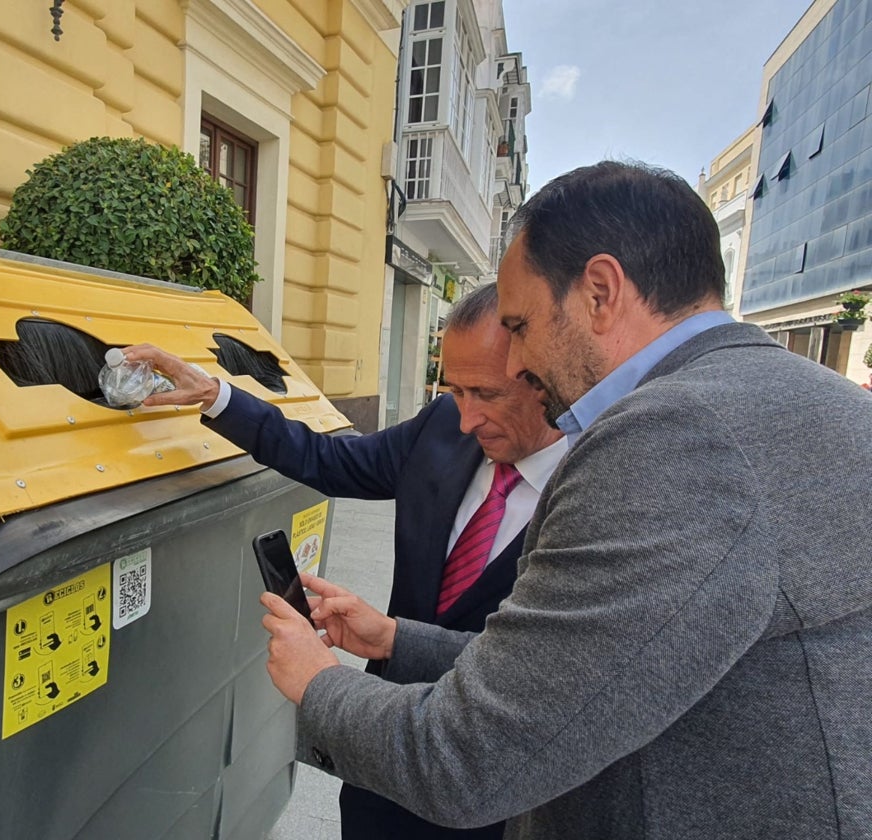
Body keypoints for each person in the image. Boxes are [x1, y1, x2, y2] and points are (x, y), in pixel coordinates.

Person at [257, 160, 872, 838]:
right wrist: (399, 639)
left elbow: (468, 758)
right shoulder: (820, 403)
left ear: (600, 293)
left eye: (518, 325)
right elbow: (606, 669)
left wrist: (318, 684)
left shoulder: (670, 433)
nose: (515, 363)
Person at [125, 283, 565, 840]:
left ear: (548, 377)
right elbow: (328, 459)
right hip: (381, 759)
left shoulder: (598, 494)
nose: (466, 419)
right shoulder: (441, 431)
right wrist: (215, 395)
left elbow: (545, 675)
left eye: (488, 393)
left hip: (489, 795)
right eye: (456, 390)